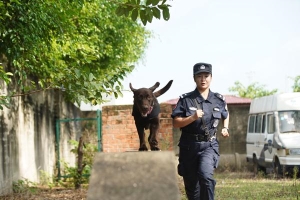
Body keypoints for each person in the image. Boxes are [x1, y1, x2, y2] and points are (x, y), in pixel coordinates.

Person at [171, 62, 230, 200]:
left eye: (206, 76)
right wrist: (192, 117)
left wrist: (225, 127)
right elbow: (175, 122)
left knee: (206, 176)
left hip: (209, 146)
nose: (203, 79)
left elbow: (226, 114)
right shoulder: (186, 100)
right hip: (189, 147)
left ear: (211, 77)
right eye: (199, 76)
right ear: (194, 78)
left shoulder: (218, 99)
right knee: (193, 190)